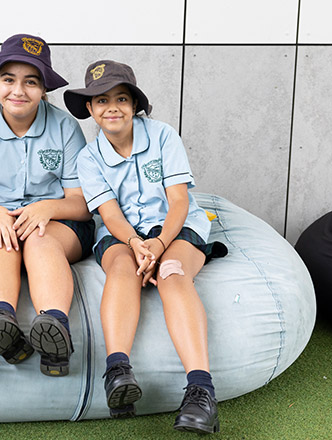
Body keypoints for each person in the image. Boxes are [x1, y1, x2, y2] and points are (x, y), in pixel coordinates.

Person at [65, 60, 227, 433]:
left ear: (135, 104)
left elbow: (179, 203)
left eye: (121, 98)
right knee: (122, 271)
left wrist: (159, 245)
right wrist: (137, 244)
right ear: (89, 109)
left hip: (174, 226)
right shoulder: (88, 158)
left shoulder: (163, 136)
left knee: (172, 275)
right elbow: (109, 213)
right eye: (101, 100)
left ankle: (202, 391)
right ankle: (117, 370)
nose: (112, 108)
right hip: (124, 235)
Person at [0, 34, 94, 377]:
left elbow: (81, 204)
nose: (18, 91)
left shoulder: (64, 127)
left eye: (30, 82)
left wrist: (46, 209)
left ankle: (54, 327)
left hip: (56, 224)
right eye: (8, 80)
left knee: (39, 239)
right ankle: (2, 322)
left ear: (44, 88)